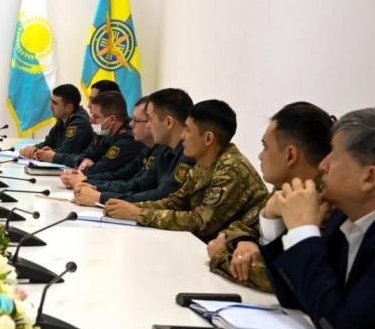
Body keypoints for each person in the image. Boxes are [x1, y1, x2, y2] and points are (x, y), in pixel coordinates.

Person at [259, 108, 375, 329]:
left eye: (334, 156)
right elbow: (297, 299)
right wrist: (272, 222)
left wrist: (303, 231)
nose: (322, 165)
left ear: (369, 177)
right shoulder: (347, 213)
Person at [206, 102, 332, 292]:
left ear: (290, 155)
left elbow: (289, 281)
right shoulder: (286, 188)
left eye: (265, 147)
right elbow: (240, 226)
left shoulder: (324, 202)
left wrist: (221, 256)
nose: (260, 156)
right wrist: (245, 240)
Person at [105, 100, 268, 242]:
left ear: (208, 138)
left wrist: (138, 214)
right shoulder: (204, 162)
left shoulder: (230, 169)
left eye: (188, 130)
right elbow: (175, 202)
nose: (182, 135)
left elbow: (201, 223)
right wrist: (128, 207)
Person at [74, 89, 195, 206]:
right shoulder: (165, 150)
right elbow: (138, 184)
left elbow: (162, 196)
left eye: (150, 119)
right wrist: (94, 186)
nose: (148, 125)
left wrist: (101, 197)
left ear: (168, 122)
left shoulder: (189, 155)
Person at [57, 91, 142, 180]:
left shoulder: (128, 140)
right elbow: (90, 154)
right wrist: (85, 160)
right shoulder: (108, 132)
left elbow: (101, 168)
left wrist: (82, 171)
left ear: (112, 119)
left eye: (96, 117)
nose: (91, 121)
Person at [19, 84, 93, 162]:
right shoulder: (63, 118)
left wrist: (41, 152)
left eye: (55, 103)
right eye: (51, 101)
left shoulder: (79, 122)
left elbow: (67, 151)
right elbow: (48, 142)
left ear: (69, 108)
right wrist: (33, 149)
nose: (51, 106)